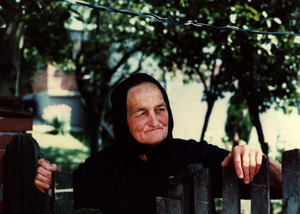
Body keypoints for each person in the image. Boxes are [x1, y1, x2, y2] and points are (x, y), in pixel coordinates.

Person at [35, 73, 282, 213]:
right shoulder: (103, 166)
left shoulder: (196, 154)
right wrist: (51, 178)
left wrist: (257, 160)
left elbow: (282, 186)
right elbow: (62, 195)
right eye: (141, 112)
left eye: (160, 109)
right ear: (123, 121)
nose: (154, 121)